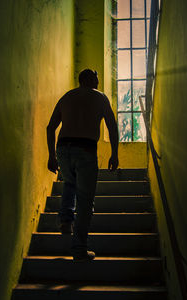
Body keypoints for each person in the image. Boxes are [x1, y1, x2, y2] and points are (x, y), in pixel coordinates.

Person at [47, 69, 119, 262]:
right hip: (85, 149)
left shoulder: (67, 96)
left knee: (70, 183)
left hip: (63, 148)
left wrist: (51, 156)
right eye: (96, 78)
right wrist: (114, 154)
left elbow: (50, 127)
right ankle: (79, 249)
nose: (98, 81)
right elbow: (112, 126)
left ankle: (65, 218)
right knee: (85, 200)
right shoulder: (100, 97)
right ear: (89, 79)